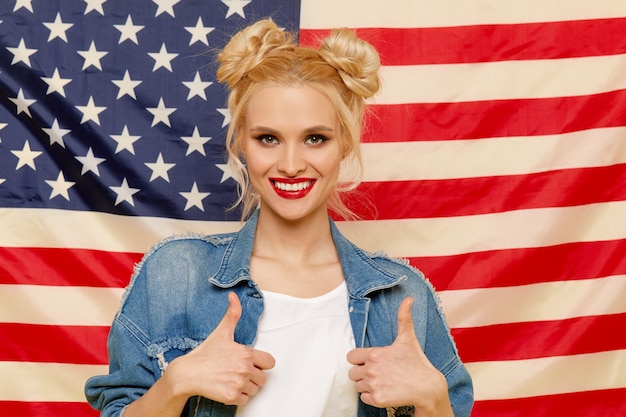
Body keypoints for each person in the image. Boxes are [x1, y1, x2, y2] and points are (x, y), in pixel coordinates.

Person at [85, 19, 473, 417]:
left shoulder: (401, 296)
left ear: (345, 144)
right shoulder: (174, 275)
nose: (290, 165)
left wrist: (435, 402)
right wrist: (176, 384)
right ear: (241, 144)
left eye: (315, 138)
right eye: (268, 138)